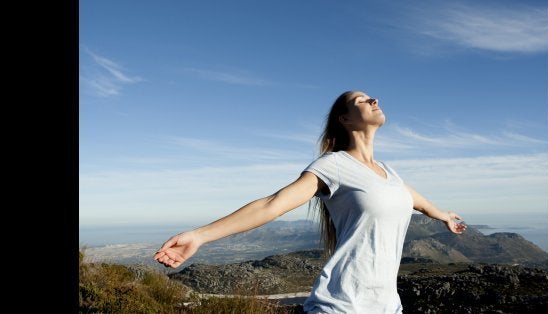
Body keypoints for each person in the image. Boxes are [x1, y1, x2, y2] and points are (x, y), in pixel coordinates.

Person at [154, 91, 467, 313]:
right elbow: (272, 204)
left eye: (373, 97)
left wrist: (444, 215)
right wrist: (199, 236)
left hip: (387, 305)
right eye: (362, 100)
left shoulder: (389, 173)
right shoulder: (332, 166)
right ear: (345, 119)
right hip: (340, 305)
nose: (374, 100)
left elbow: (417, 201)